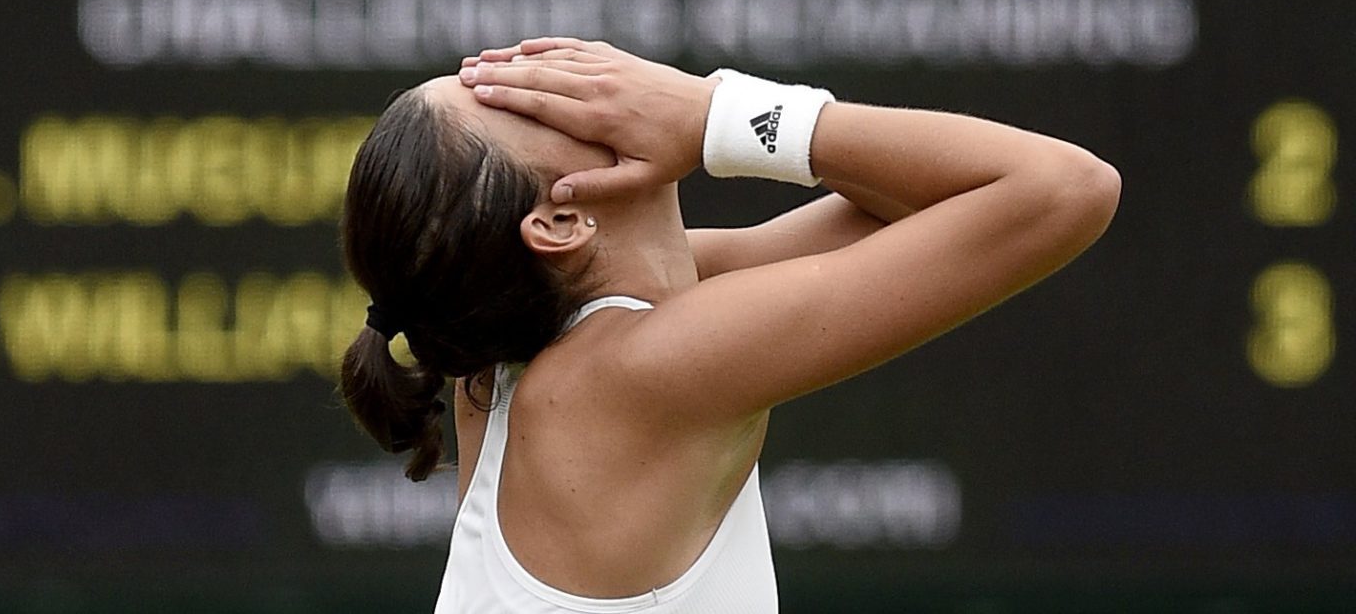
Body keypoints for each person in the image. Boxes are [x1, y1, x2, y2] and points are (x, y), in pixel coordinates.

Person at [338, 37, 1121, 613]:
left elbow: (929, 203)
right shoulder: (640, 369)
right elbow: (1065, 188)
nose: (562, 72)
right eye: (519, 97)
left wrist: (716, 116)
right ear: (561, 219)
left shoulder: (582, 328)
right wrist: (718, 113)